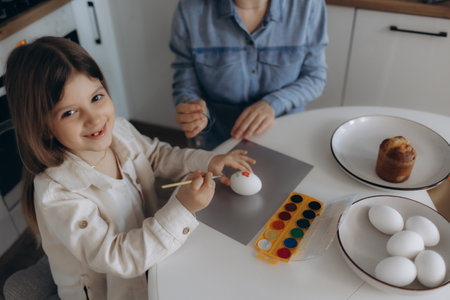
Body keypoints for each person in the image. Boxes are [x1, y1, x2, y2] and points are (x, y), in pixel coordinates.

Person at [4, 36, 255, 300]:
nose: (94, 118)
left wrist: (207, 161)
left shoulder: (119, 130)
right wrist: (182, 209)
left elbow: (157, 155)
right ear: (43, 127)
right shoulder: (57, 194)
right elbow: (116, 257)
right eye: (69, 113)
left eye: (97, 97)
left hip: (153, 251)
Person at [170, 0, 328, 150]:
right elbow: (185, 82)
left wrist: (273, 104)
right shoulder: (190, 9)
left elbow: (315, 77)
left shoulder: (308, 5)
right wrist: (192, 110)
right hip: (217, 143)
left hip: (284, 139)